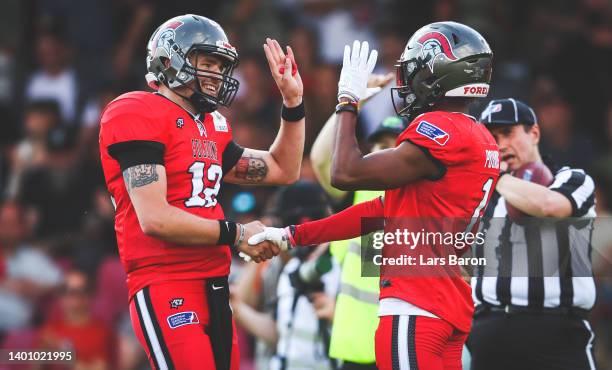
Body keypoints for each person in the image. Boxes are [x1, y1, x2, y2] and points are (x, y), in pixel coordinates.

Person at [250, 21, 500, 370]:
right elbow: (376, 212)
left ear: (439, 74)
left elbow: (344, 172)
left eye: (415, 72)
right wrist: (292, 235)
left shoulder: (442, 129)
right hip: (450, 307)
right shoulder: (481, 138)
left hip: (416, 308)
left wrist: (348, 102)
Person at [98, 14, 304, 370]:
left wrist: (293, 104)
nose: (217, 75)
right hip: (166, 281)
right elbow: (155, 218)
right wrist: (236, 234)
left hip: (215, 281)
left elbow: (283, 169)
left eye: (221, 66)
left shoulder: (210, 126)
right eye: (207, 63)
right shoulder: (135, 110)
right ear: (169, 61)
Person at [468, 98, 598, 370]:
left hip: (556, 333)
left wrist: (496, 176)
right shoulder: (477, 197)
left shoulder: (572, 179)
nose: (500, 144)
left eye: (508, 133)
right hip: (489, 331)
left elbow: (550, 206)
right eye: (491, 137)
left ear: (534, 133)